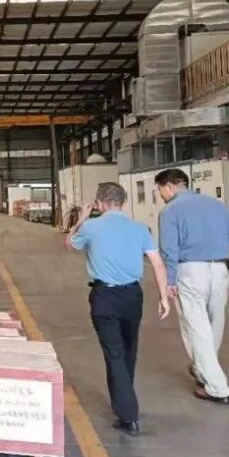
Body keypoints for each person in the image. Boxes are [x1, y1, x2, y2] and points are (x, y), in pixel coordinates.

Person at [155, 168, 229, 405]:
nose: (161, 195)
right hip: (219, 271)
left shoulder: (170, 211)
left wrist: (170, 281)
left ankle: (217, 387)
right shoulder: (217, 206)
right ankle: (200, 368)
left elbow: (169, 250)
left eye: (160, 190)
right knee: (215, 325)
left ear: (170, 186)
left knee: (196, 329)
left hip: (190, 272)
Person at [66, 182, 170, 435]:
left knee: (114, 354)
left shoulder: (91, 226)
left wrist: (80, 220)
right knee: (128, 350)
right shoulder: (139, 228)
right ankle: (124, 401)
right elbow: (157, 263)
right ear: (123, 202)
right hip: (133, 296)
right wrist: (164, 297)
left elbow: (69, 244)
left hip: (105, 297)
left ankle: (128, 414)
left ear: (99, 204)